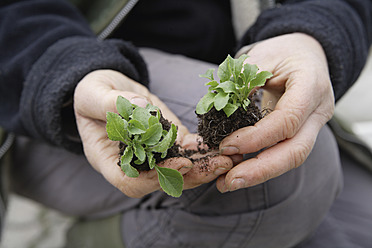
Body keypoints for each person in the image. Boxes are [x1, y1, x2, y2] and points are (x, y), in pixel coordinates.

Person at [0, 0, 371, 247]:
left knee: (360, 227)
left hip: (221, 59)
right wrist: (63, 70)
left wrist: (312, 31)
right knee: (281, 180)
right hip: (45, 84)